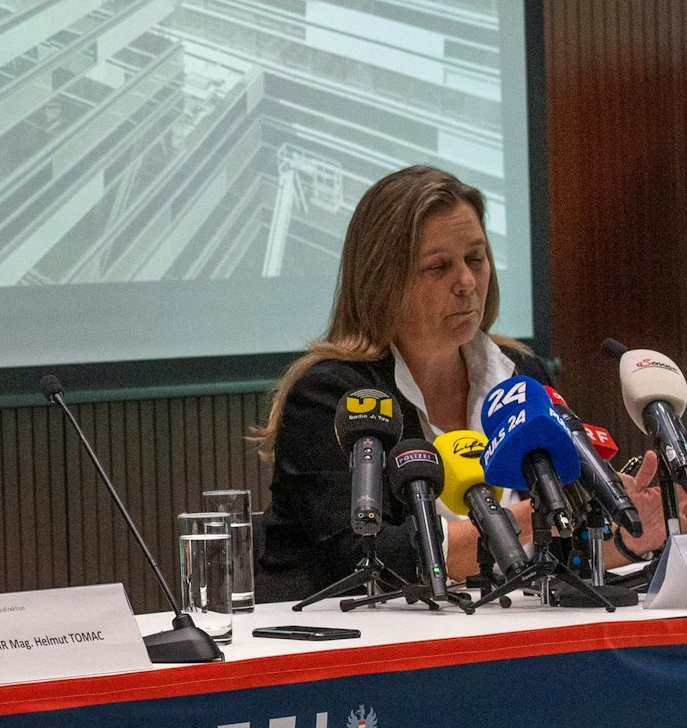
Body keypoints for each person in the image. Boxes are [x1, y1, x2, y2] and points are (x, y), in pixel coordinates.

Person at [256, 165, 672, 603]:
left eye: (476, 259)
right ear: (382, 280)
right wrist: (528, 518)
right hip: (354, 649)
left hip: (503, 635)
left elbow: (561, 556)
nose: (467, 282)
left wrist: (631, 537)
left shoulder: (521, 377)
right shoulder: (334, 397)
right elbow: (368, 557)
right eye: (438, 267)